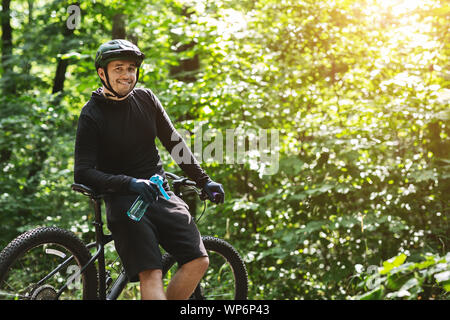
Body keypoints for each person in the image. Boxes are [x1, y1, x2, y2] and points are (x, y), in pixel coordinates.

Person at [74, 39, 225, 300]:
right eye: (118, 68)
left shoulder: (146, 99)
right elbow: (83, 172)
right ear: (102, 73)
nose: (126, 75)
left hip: (161, 194)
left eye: (131, 68)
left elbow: (175, 143)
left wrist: (204, 180)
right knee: (152, 273)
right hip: (124, 201)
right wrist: (129, 183)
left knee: (198, 260)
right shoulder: (92, 114)